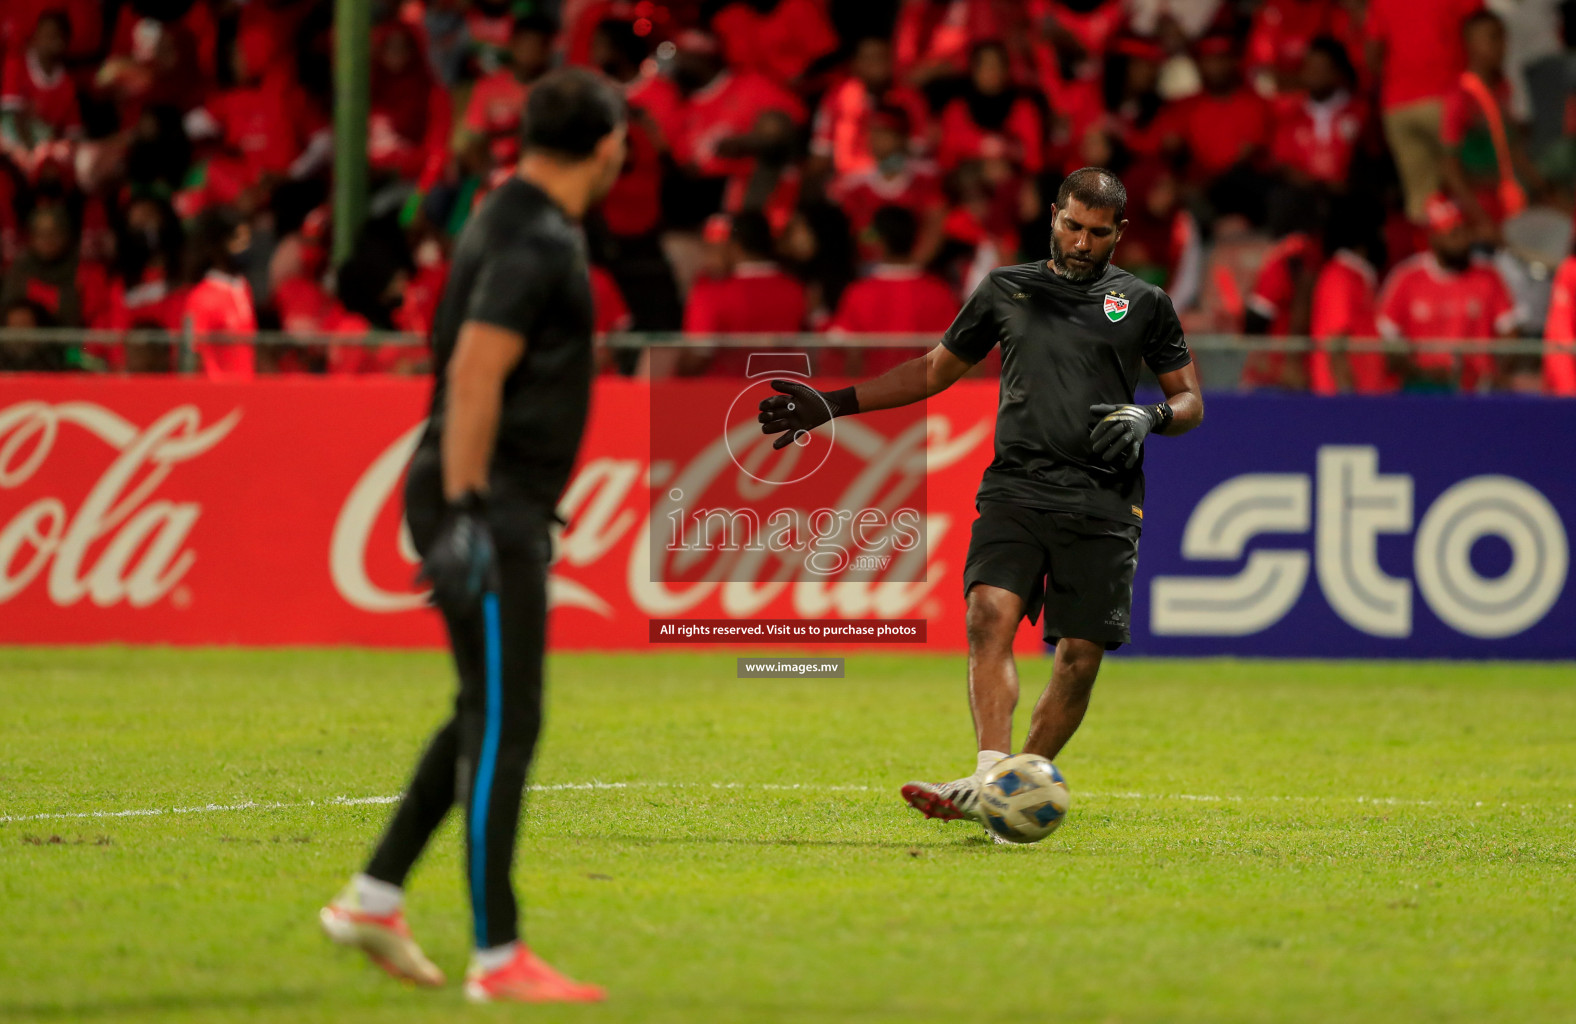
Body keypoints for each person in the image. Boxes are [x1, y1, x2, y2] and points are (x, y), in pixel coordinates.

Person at [757, 168, 1204, 831]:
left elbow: (1191, 399)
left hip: (1103, 500)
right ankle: (993, 774)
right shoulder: (1006, 289)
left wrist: (1154, 417)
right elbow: (933, 371)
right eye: (1072, 226)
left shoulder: (1144, 302)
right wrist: (831, 404)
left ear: (1120, 233)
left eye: (1098, 233)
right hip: (1017, 487)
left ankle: (1009, 786)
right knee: (987, 613)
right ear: (1053, 216)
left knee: (1078, 660)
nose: (1082, 243)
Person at [318, 68, 626, 1004]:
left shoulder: (504, 213)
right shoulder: (538, 238)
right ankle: (499, 958)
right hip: (486, 502)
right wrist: (466, 510)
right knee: (509, 718)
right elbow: (476, 371)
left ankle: (373, 897)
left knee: (479, 709)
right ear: (609, 144)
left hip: (487, 497)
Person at [1376, 194, 1518, 391]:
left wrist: (1492, 375)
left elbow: (1510, 334)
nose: (1463, 241)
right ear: (1434, 239)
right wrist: (1419, 370)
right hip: (1422, 387)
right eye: (1453, 235)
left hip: (1478, 390)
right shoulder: (1407, 277)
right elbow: (1385, 338)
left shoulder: (1488, 275)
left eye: (1465, 233)